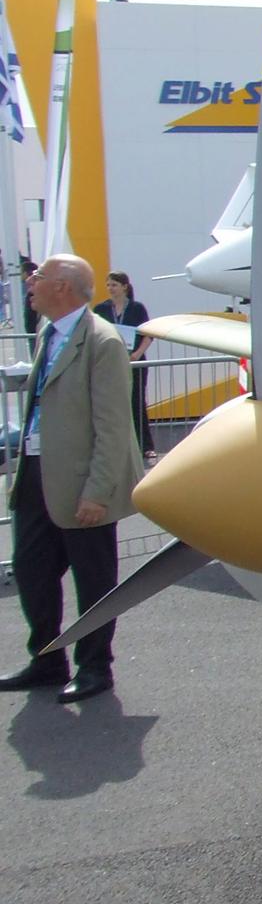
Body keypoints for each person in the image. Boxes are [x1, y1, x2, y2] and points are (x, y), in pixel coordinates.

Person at [0, 254, 142, 703]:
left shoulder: (102, 342)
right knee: (32, 567)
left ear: (62, 287)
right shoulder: (48, 333)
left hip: (83, 481)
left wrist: (98, 491)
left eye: (38, 277)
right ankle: (47, 659)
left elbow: (115, 425)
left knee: (93, 579)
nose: (30, 283)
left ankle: (95, 666)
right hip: (39, 475)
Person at [95, 269, 157, 462]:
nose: (110, 289)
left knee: (137, 402)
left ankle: (146, 446)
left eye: (114, 285)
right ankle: (119, 445)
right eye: (108, 285)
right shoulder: (101, 309)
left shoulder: (137, 308)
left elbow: (149, 333)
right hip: (112, 362)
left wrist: (137, 354)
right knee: (113, 404)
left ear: (124, 287)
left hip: (135, 361)